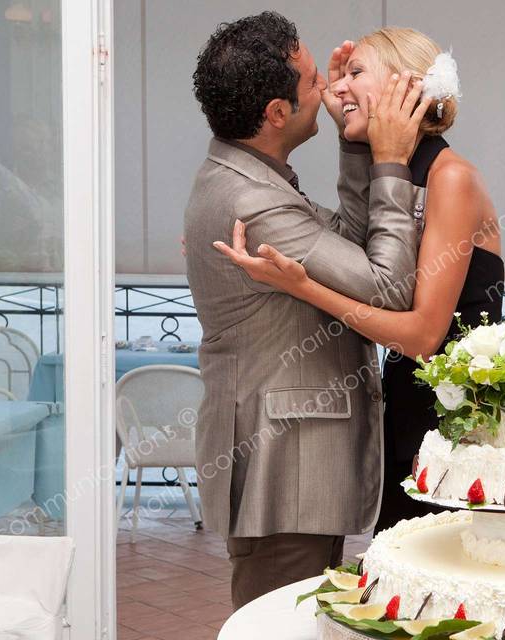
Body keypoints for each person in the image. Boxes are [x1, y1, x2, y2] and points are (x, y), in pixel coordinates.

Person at [184, 13, 431, 609]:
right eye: (317, 82)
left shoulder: (246, 175)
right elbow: (388, 285)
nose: (331, 90)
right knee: (278, 624)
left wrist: (354, 141)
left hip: (287, 458)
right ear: (275, 113)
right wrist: (391, 161)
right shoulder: (253, 199)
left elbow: (345, 244)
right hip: (283, 464)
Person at [214, 27, 504, 532]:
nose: (335, 89)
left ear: (406, 87)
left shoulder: (450, 178)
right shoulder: (396, 173)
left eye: (355, 74)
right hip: (409, 408)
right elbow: (357, 253)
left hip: (453, 425)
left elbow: (421, 336)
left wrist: (301, 285)